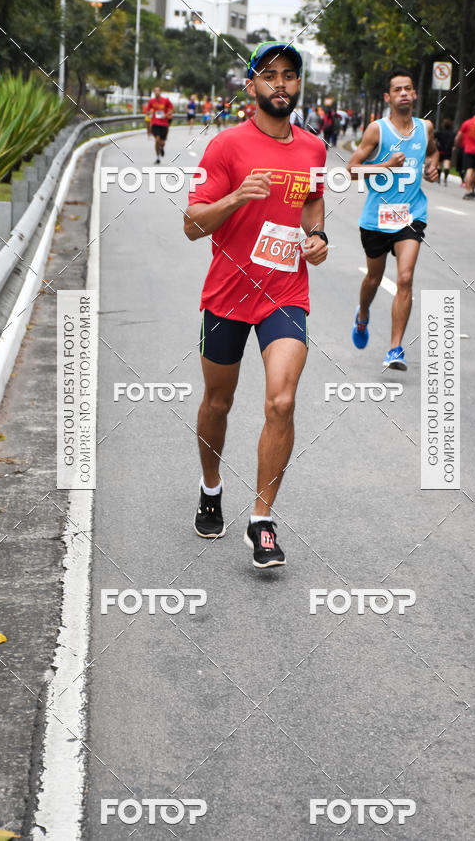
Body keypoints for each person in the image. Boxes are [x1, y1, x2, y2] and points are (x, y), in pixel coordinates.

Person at [183, 41, 328, 569]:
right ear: (251, 86)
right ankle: (211, 487)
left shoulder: (314, 149)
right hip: (228, 294)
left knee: (282, 403)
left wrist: (318, 236)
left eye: (289, 74)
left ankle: (262, 521)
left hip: (285, 294)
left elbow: (313, 200)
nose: (280, 84)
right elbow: (191, 225)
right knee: (217, 403)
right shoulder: (225, 147)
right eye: (269, 75)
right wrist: (236, 197)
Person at [346, 67, 439, 370]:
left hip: (411, 216)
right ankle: (362, 315)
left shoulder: (425, 128)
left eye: (407, 88)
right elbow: (351, 169)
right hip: (376, 219)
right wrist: (385, 165)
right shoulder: (377, 130)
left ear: (415, 94)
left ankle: (395, 348)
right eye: (397, 89)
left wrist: (433, 166)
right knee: (374, 278)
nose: (403, 93)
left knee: (405, 277)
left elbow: (433, 152)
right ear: (388, 97)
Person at [143, 86, 174, 164]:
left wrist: (166, 115)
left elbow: (171, 109)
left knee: (162, 142)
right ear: (154, 92)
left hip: (164, 123)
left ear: (160, 92)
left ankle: (161, 148)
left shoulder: (165, 100)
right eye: (155, 91)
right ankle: (157, 157)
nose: (157, 92)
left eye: (158, 91)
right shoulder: (151, 101)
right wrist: (148, 113)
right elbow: (147, 111)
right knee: (157, 140)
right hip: (155, 123)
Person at [434, 118, 455, 185]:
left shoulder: (440, 132)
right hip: (448, 150)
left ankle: (438, 178)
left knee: (439, 165)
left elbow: (433, 137)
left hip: (440, 150)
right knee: (447, 165)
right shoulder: (453, 133)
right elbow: (454, 141)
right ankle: (445, 179)